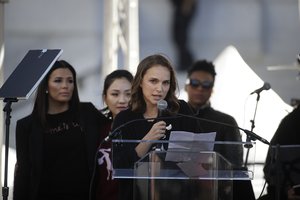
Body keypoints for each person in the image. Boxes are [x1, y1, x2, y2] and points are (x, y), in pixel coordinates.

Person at [13, 60, 108, 200]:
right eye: (58, 81)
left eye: (70, 81)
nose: (65, 86)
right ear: (45, 86)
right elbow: (23, 173)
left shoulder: (88, 112)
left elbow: (114, 131)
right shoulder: (27, 126)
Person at [111, 54, 201, 200]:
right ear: (140, 82)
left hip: (179, 193)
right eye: (153, 81)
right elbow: (120, 166)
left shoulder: (181, 110)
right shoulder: (125, 119)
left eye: (165, 83)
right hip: (137, 194)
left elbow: (202, 153)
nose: (160, 88)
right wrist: (148, 139)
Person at [185, 60, 255, 200]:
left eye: (206, 85)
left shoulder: (226, 122)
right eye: (195, 83)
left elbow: (234, 167)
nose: (200, 88)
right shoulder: (173, 118)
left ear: (212, 89)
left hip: (216, 192)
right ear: (186, 86)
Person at [93, 69, 133, 200]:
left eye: (128, 94)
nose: (122, 100)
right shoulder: (97, 130)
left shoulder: (144, 130)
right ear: (105, 98)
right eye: (115, 94)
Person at [258, 105, 300, 200]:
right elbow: (270, 169)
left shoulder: (288, 121)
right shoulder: (289, 122)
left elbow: (268, 169)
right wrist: (287, 190)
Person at [169, 0, 197, 71]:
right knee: (178, 36)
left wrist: (187, 4)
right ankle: (186, 62)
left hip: (184, 6)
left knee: (180, 36)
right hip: (181, 6)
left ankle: (187, 62)